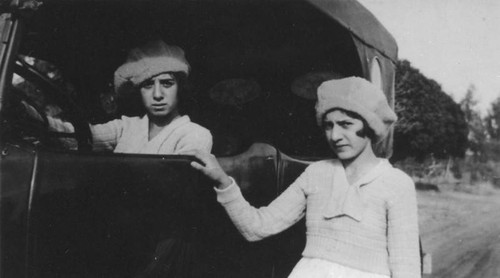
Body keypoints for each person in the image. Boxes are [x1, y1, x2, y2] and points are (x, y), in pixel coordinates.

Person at [185, 77, 420, 278]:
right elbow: (257, 227)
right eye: (328, 125)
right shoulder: (316, 173)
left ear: (369, 126)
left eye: (346, 124)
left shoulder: (396, 184)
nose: (335, 135)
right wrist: (222, 180)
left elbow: (406, 269)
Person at [43, 40, 212, 154]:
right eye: (148, 85)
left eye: (167, 83)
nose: (158, 94)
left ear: (180, 88)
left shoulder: (195, 135)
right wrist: (29, 113)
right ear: (138, 91)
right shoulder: (127, 127)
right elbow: (76, 136)